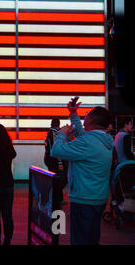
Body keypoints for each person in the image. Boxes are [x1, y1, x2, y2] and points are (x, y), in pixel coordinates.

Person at [51, 98, 114, 245]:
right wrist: (73, 113)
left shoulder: (87, 142)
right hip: (98, 197)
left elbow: (56, 150)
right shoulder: (104, 139)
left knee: (81, 239)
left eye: (87, 114)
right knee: (91, 237)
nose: (85, 116)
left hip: (83, 199)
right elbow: (83, 134)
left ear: (91, 120)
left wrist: (62, 134)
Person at [44, 118, 69, 205]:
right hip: (54, 160)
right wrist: (60, 162)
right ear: (58, 124)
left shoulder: (49, 133)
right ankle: (56, 198)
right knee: (61, 179)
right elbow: (55, 150)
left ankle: (56, 197)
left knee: (57, 179)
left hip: (49, 159)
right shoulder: (55, 133)